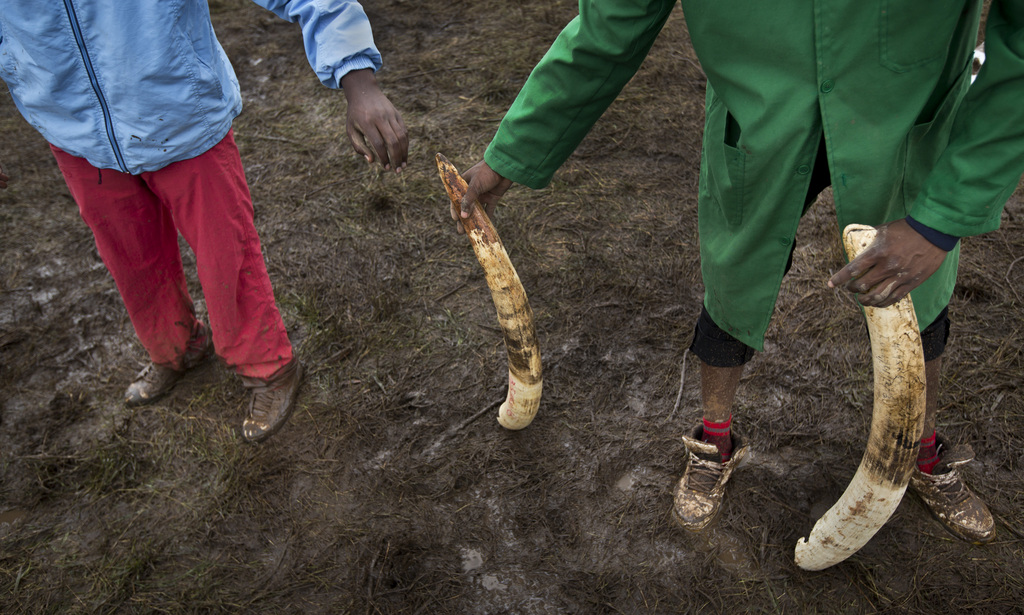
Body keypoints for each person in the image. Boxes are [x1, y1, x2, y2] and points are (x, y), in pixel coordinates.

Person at [451, 0, 1024, 543]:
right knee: (734, 281)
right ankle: (714, 439)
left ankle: (920, 450)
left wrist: (940, 219)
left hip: (906, 121)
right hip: (759, 121)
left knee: (916, 299)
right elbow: (607, 29)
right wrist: (514, 152)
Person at [0, 1, 408, 443]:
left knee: (224, 255)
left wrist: (356, 78)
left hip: (181, 114)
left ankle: (268, 368)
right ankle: (176, 349)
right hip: (75, 132)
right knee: (130, 256)